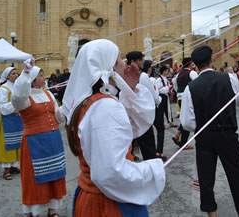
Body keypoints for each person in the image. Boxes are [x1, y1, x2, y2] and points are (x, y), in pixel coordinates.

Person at [60, 39, 165, 216]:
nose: (125, 63)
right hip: (109, 205)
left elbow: (131, 126)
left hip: (92, 198)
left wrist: (129, 90)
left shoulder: (90, 102)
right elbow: (110, 173)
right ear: (110, 67)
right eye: (120, 59)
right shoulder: (106, 107)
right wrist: (153, 170)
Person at [180, 46, 239, 217]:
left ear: (195, 65)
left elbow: (186, 122)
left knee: (206, 178)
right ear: (211, 60)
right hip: (227, 135)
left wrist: (202, 127)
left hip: (204, 137)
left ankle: (212, 215)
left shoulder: (190, 88)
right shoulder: (228, 78)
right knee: (237, 177)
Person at [12, 60, 67, 217]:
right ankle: (30, 211)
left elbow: (57, 115)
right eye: (41, 76)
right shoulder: (24, 98)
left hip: (53, 140)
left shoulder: (48, 93)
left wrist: (67, 107)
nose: (44, 78)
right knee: (34, 178)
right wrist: (25, 73)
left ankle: (52, 210)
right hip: (34, 142)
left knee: (55, 175)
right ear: (33, 79)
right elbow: (17, 96)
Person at [126, 52, 159, 160]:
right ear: (133, 62)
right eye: (140, 59)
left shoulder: (124, 75)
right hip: (141, 117)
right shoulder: (142, 76)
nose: (143, 61)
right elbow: (151, 95)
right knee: (149, 150)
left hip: (130, 117)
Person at [0, 67, 22, 181]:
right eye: (13, 74)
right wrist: (14, 104)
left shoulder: (18, 88)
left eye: (17, 73)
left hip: (19, 119)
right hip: (8, 120)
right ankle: (6, 169)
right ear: (7, 76)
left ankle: (14, 165)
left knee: (18, 143)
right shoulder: (2, 89)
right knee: (7, 144)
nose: (16, 75)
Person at [171, 57, 197, 149]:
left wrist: (179, 93)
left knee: (185, 117)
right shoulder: (192, 73)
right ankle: (183, 143)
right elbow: (197, 84)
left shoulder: (178, 74)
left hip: (180, 97)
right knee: (188, 118)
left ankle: (178, 135)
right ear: (190, 64)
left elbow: (174, 85)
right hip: (188, 97)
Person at [154, 66, 172, 160]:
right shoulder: (158, 80)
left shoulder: (165, 79)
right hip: (161, 100)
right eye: (166, 70)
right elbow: (159, 90)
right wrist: (168, 88)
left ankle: (169, 121)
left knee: (167, 114)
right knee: (160, 125)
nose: (167, 72)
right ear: (163, 71)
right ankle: (158, 151)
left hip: (165, 99)